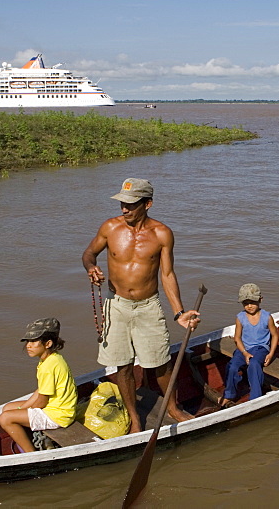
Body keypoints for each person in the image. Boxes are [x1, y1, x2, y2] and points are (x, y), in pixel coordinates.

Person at [81, 177, 199, 433]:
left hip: (148, 306)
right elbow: (89, 253)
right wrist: (91, 268)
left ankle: (173, 407)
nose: (124, 209)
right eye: (122, 203)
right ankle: (134, 417)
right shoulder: (110, 228)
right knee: (122, 365)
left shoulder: (162, 234)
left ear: (148, 204)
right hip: (116, 305)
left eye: (131, 204)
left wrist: (179, 312)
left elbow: (167, 274)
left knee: (160, 361)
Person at [0, 318, 77, 454]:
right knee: (7, 408)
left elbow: (42, 401)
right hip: (56, 408)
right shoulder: (52, 358)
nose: (28, 345)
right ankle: (26, 436)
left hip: (58, 415)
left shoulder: (48, 366)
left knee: (5, 418)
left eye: (33, 341)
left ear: (48, 343)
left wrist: (27, 411)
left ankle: (31, 454)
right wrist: (23, 408)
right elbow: (41, 390)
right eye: (28, 341)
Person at [220, 283, 279, 407]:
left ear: (260, 300)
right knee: (232, 366)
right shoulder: (240, 317)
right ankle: (229, 394)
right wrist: (244, 353)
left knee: (254, 364)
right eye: (245, 303)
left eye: (252, 302)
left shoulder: (267, 317)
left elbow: (274, 335)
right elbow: (237, 338)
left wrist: (271, 353)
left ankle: (256, 397)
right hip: (244, 349)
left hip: (260, 348)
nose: (249, 306)